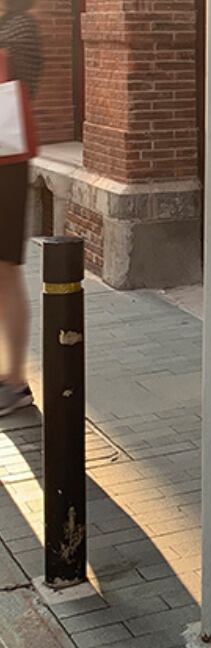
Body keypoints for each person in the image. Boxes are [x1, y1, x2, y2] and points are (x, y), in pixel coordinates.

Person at [0, 0, 42, 417]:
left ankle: (15, 381)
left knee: (6, 269)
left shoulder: (20, 27)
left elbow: (22, 86)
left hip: (6, 167)